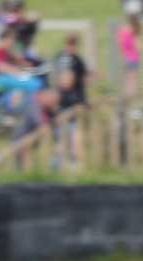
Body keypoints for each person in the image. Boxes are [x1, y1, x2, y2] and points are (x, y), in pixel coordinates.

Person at [55, 34, 89, 164]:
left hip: (67, 100)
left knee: (69, 130)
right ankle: (70, 160)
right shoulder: (73, 59)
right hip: (70, 100)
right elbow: (66, 81)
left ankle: (65, 159)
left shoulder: (62, 57)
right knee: (72, 130)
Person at [116, 14, 141, 101]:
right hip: (134, 58)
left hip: (125, 58)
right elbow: (138, 46)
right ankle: (131, 98)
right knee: (133, 80)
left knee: (126, 79)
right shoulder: (134, 32)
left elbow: (120, 43)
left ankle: (125, 96)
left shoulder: (122, 30)